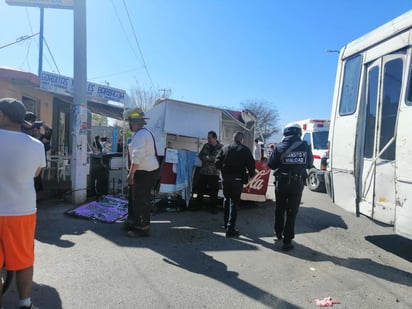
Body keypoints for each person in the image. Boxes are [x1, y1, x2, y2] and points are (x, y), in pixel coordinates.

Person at [0, 98, 46, 309]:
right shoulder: (36, 145)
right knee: (24, 260)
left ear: (2, 115)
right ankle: (25, 304)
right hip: (22, 211)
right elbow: (35, 173)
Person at [268, 122, 313, 251]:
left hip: (281, 182)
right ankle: (287, 241)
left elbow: (271, 165)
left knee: (279, 208)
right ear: (299, 133)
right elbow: (310, 164)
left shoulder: (280, 146)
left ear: (286, 133)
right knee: (292, 212)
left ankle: (278, 232)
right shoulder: (305, 146)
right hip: (297, 183)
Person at [123, 107, 159, 237]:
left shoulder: (140, 135)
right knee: (135, 199)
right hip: (147, 172)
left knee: (140, 200)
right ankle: (133, 222)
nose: (129, 125)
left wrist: (131, 174)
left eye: (130, 122)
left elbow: (137, 157)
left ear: (135, 122)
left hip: (143, 173)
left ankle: (142, 228)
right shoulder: (144, 133)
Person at [215, 131, 255, 237]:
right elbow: (251, 166)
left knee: (226, 200)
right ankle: (230, 228)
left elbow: (217, 163)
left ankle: (226, 224)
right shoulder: (245, 150)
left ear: (233, 138)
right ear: (241, 140)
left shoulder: (225, 148)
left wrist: (223, 171)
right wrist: (251, 175)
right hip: (238, 179)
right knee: (234, 203)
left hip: (226, 179)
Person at [195, 131, 223, 213]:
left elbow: (219, 159)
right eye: (208, 138)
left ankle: (213, 208)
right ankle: (198, 206)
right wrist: (209, 158)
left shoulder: (221, 147)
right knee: (200, 190)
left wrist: (207, 158)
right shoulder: (206, 146)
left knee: (213, 192)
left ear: (215, 138)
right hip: (204, 172)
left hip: (214, 173)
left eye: (210, 138)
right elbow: (200, 156)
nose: (208, 139)